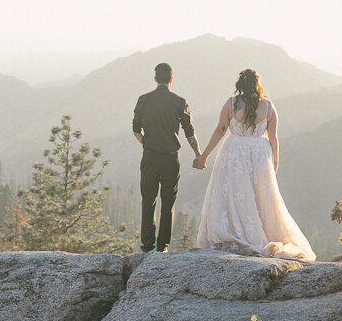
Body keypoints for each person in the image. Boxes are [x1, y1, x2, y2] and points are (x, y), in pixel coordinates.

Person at [193, 69, 315, 261]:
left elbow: (220, 130)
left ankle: (234, 231)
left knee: (234, 193)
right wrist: (274, 162)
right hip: (259, 154)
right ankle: (261, 233)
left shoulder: (232, 104)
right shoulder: (267, 106)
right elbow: (274, 138)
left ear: (240, 85)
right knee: (261, 196)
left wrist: (204, 156)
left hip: (234, 151)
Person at [132, 62, 201, 253]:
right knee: (168, 201)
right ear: (171, 79)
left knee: (148, 201)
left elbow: (136, 129)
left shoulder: (143, 100)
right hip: (171, 158)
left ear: (155, 79)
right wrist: (198, 154)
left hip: (149, 157)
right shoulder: (179, 102)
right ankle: (163, 246)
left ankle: (147, 246)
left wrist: (146, 143)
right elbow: (189, 132)